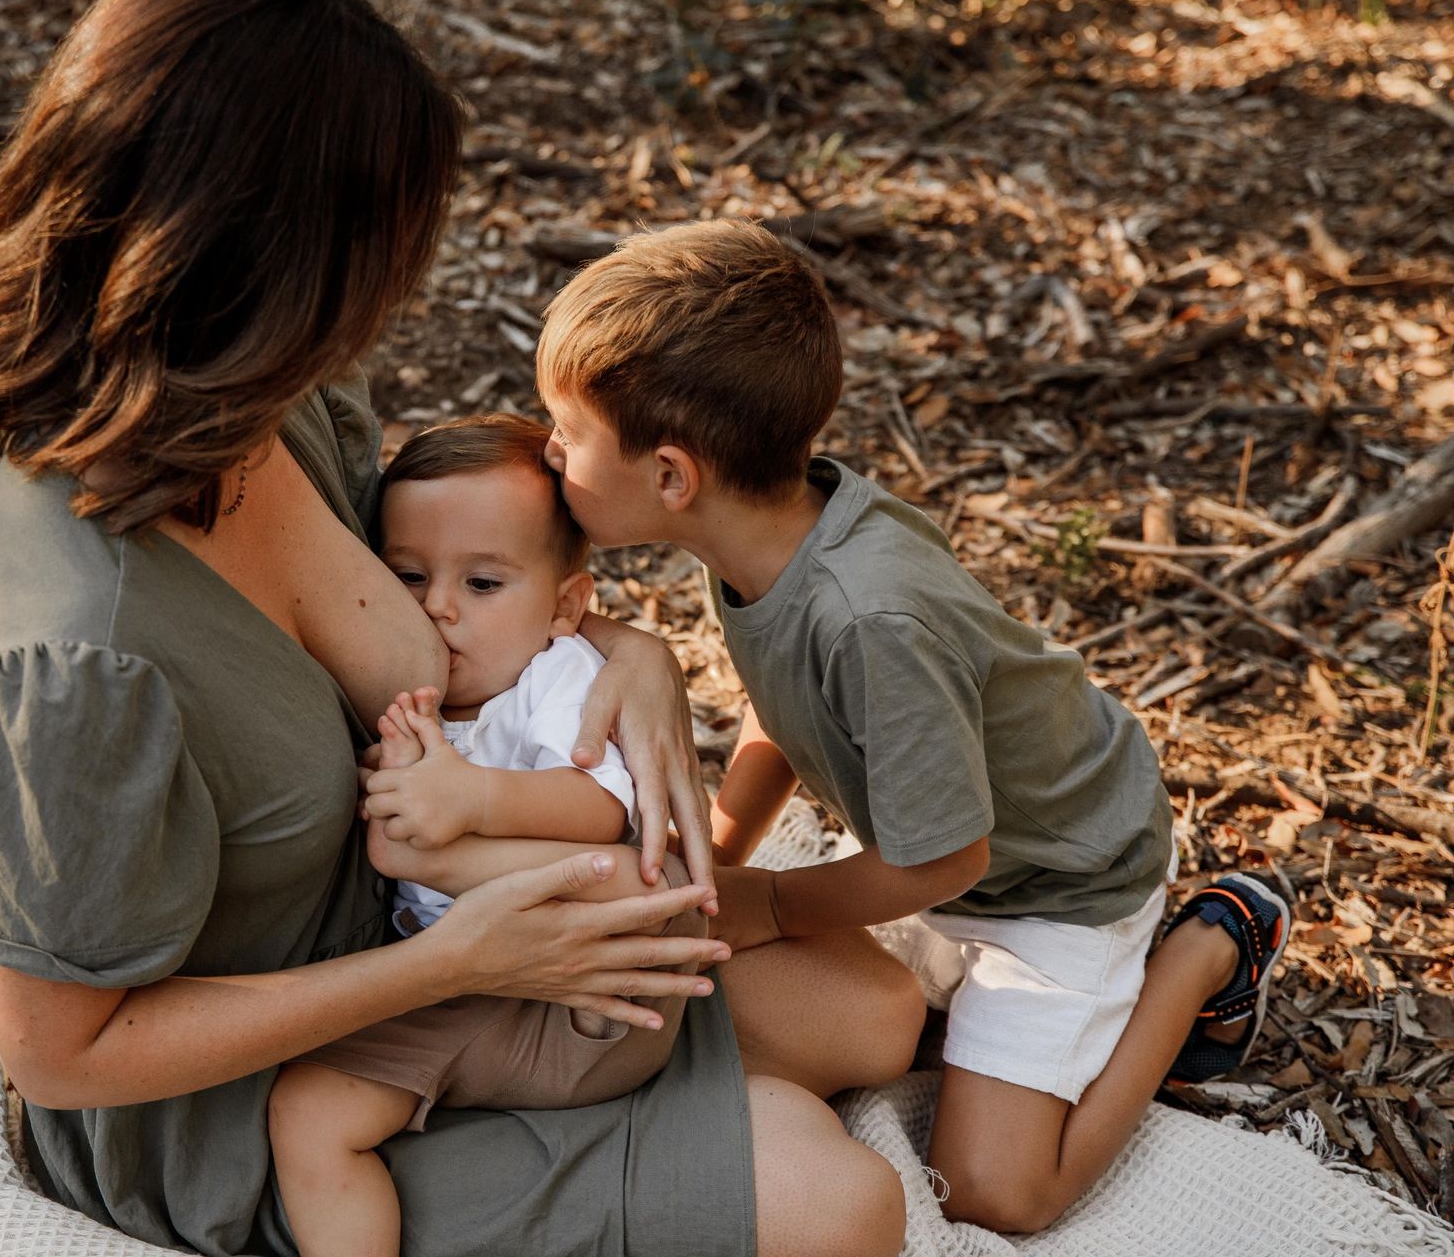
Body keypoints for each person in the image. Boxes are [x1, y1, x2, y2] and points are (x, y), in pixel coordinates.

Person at [0, 0, 920, 1257]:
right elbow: (60, 1053)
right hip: (275, 1093)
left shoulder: (255, 410)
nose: (392, 298)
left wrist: (626, 658)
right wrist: (451, 965)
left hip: (445, 931)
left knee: (877, 1010)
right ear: (265, 258)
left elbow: (463, 593)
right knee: (846, 1206)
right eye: (378, 253)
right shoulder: (83, 655)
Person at [534, 218, 1293, 1235]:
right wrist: (722, 850)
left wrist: (771, 903)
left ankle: (1211, 941)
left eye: (565, 432)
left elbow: (944, 858)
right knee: (865, 1014)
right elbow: (784, 705)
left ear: (673, 476)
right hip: (959, 847)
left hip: (1060, 880)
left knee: (998, 1189)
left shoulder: (869, 619)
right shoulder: (765, 535)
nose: (548, 452)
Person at [270, 415, 707, 1257]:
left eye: (482, 584)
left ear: (566, 606)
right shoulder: (405, 688)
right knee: (307, 1112)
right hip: (473, 993)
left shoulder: (556, 676)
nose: (437, 606)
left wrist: (470, 804)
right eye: (407, 576)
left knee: (643, 880)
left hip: (601, 995)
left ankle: (425, 858)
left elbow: (602, 808)